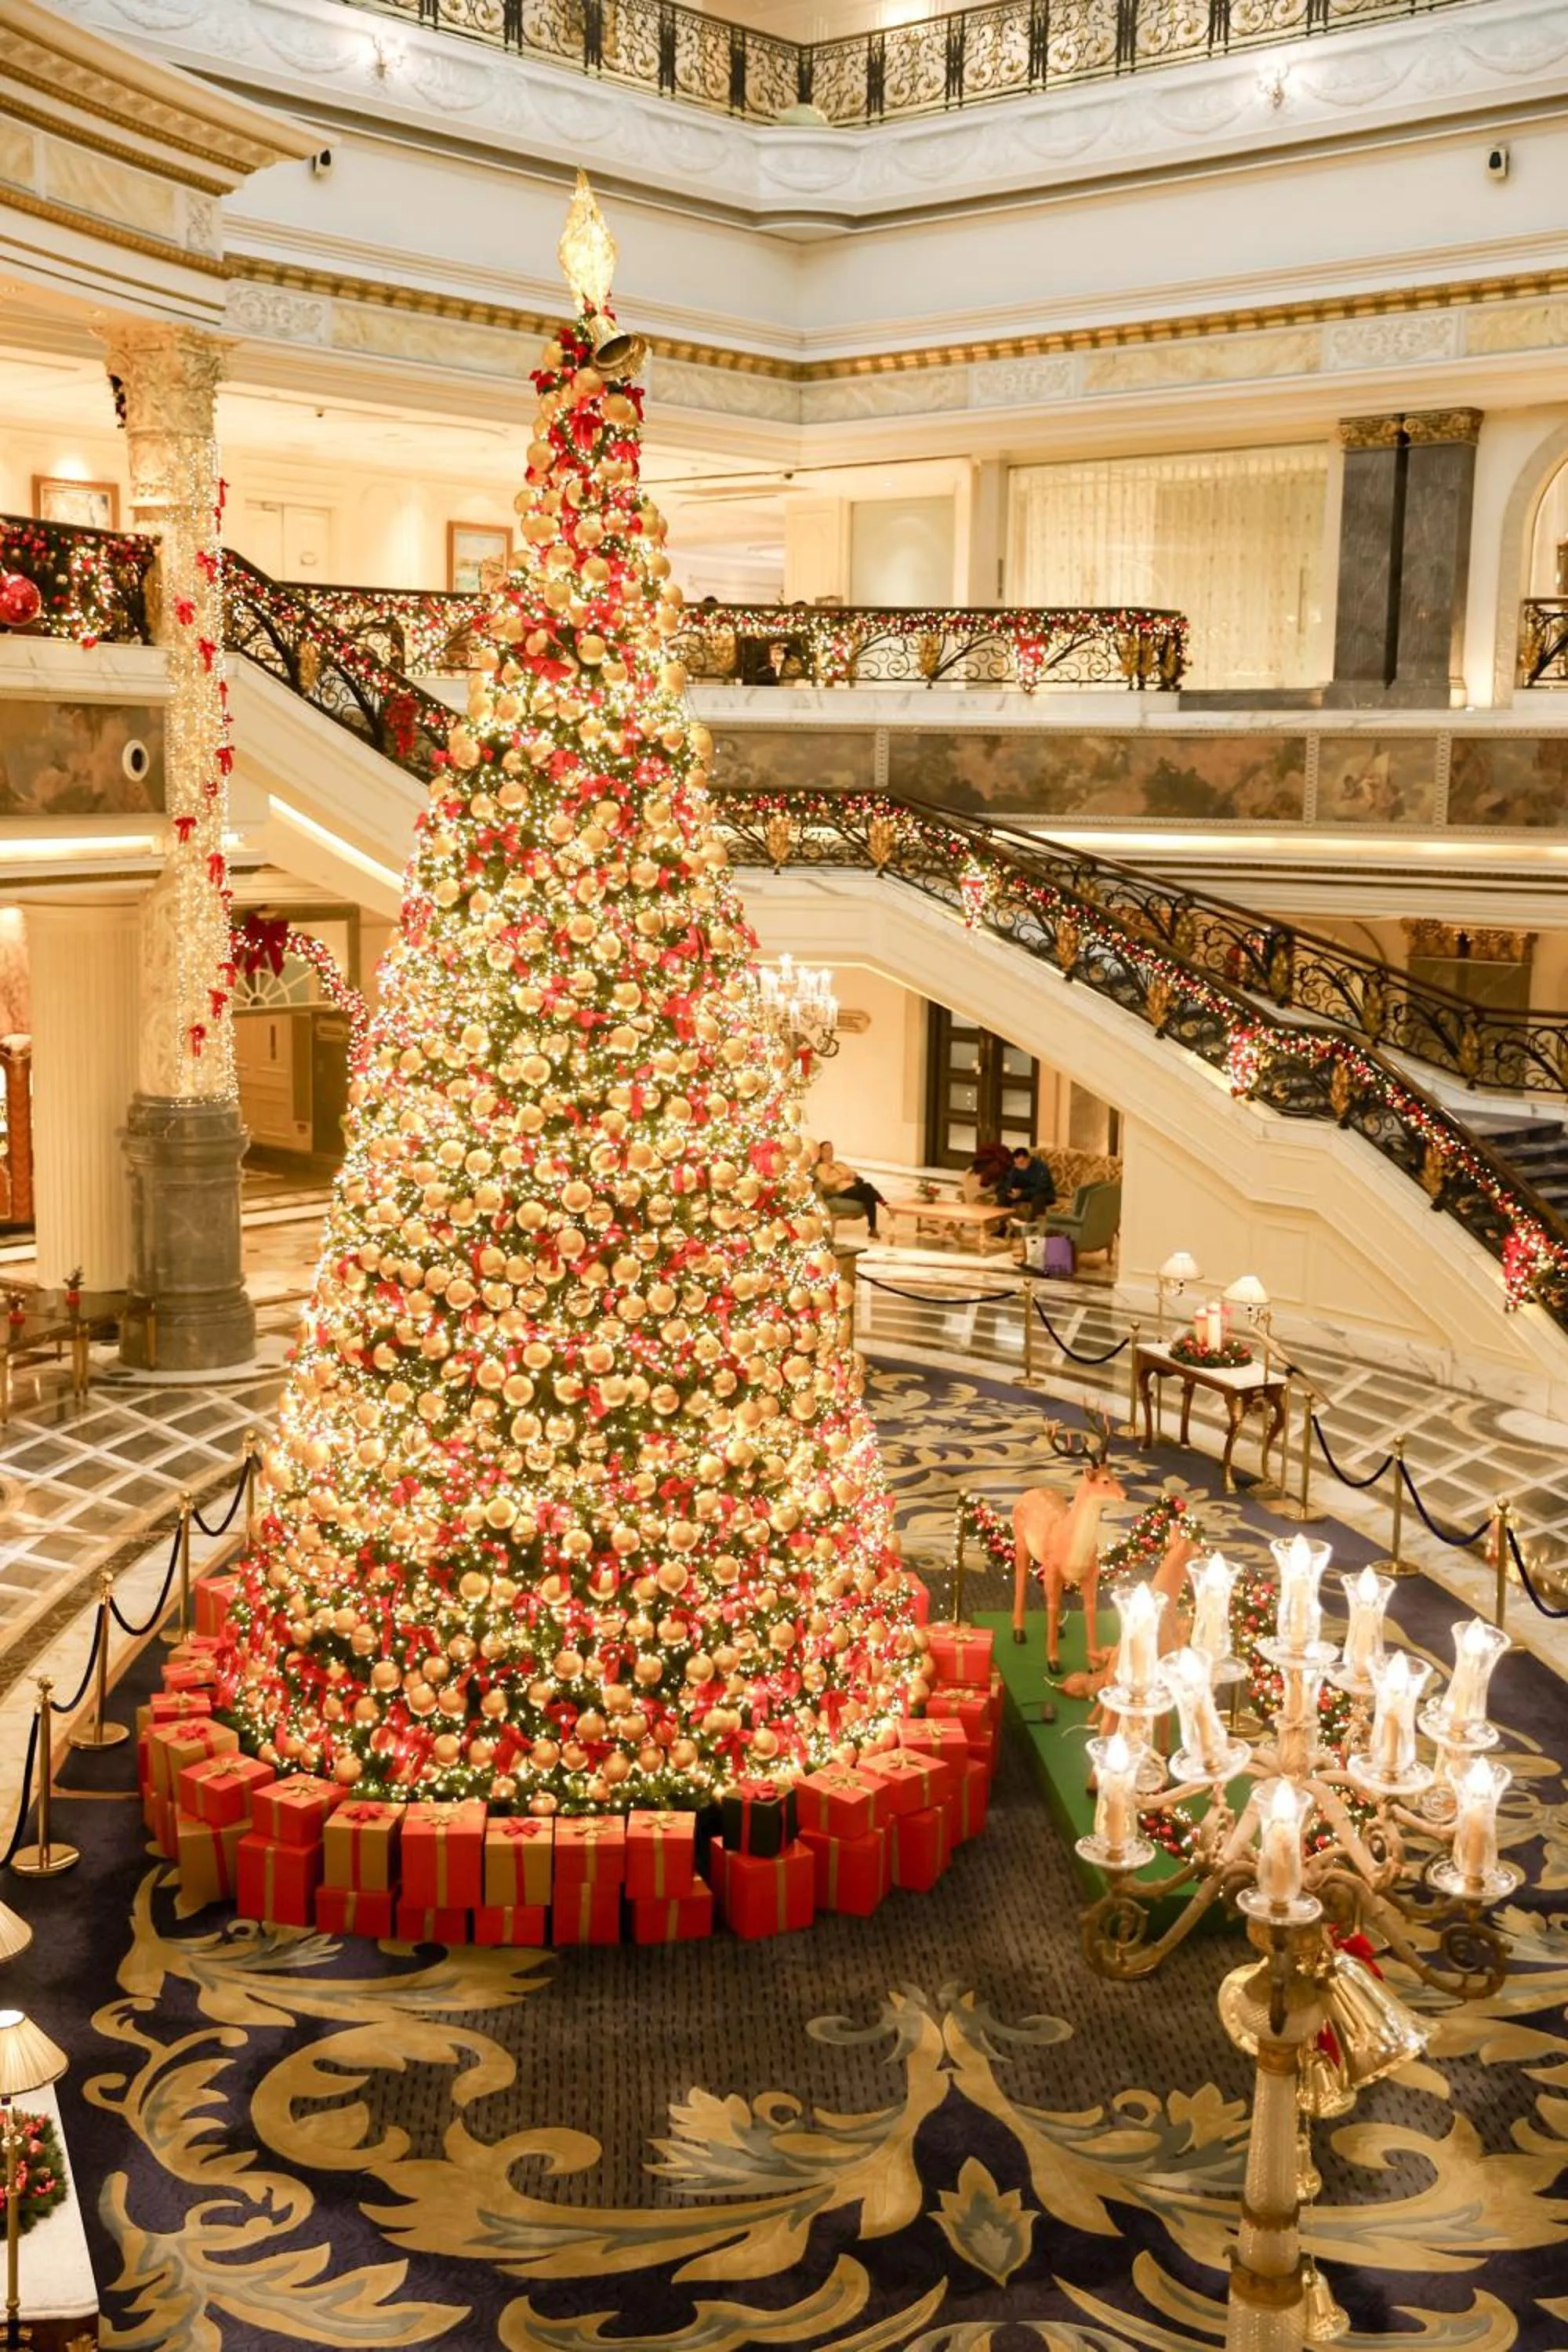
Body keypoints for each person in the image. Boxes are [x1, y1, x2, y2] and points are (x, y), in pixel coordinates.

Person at [811, 1139, 886, 1237]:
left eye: (831, 1149)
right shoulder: (822, 1167)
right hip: (843, 1192)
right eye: (826, 1150)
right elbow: (825, 1181)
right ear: (820, 1152)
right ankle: (883, 1204)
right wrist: (841, 1177)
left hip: (855, 1188)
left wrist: (844, 1171)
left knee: (869, 1195)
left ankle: (872, 1229)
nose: (829, 1152)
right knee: (868, 1188)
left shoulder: (839, 1164)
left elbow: (853, 1174)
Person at [995, 1145, 1055, 1219]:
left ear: (1029, 1159)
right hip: (1023, 1194)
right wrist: (1011, 1191)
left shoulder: (1040, 1167)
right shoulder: (1016, 1167)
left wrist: (1023, 1192)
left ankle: (1033, 1228)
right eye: (1017, 1163)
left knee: (1038, 1199)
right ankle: (1004, 1226)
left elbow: (1042, 1187)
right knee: (1002, 1195)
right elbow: (1007, 1182)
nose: (1019, 1166)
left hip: (1041, 1193)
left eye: (1022, 1162)